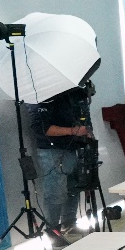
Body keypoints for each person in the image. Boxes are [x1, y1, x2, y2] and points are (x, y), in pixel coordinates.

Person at [29, 86, 93, 237]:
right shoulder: (42, 93)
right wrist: (73, 131)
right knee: (55, 193)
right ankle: (53, 232)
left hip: (74, 147)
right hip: (53, 150)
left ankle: (69, 224)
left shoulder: (73, 93)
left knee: (74, 188)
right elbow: (41, 128)